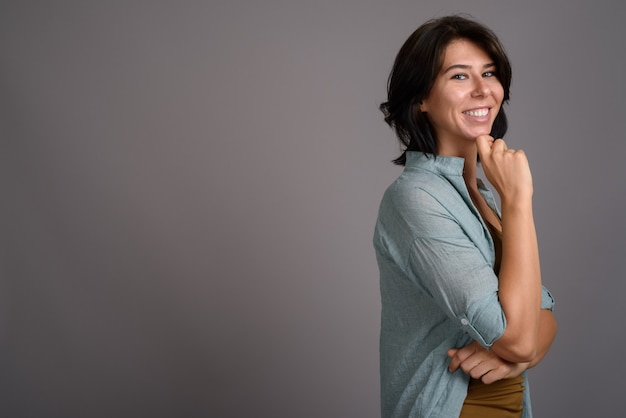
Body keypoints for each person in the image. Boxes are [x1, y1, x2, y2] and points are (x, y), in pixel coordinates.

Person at [373, 15, 557, 418]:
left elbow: (543, 319)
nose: (483, 90)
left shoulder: (486, 196)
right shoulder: (415, 199)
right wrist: (520, 202)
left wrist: (519, 359)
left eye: (489, 73)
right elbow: (520, 336)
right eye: (459, 76)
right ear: (421, 98)